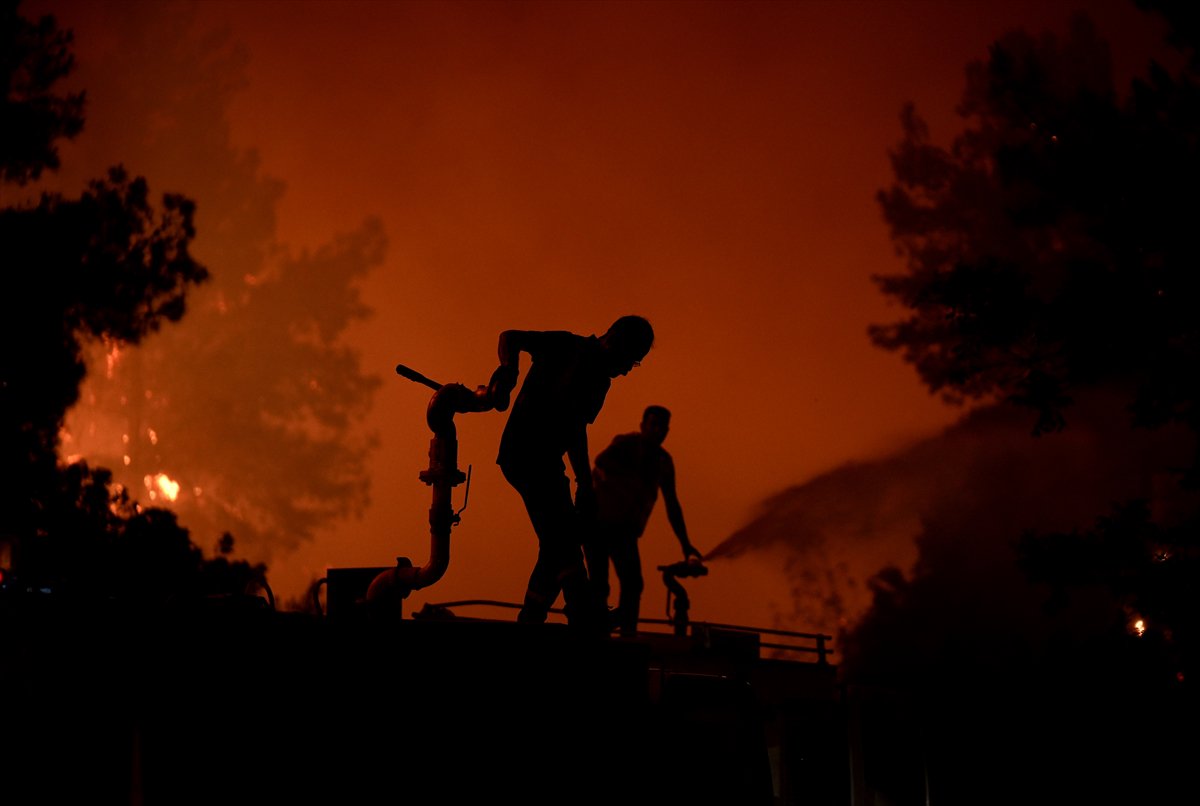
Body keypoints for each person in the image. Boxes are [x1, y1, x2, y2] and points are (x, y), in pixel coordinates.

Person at [492, 315, 655, 629]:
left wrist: (583, 481)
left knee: (556, 541)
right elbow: (510, 336)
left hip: (546, 463)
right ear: (616, 341)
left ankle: (534, 618)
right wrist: (508, 371)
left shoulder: (599, 381)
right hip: (525, 455)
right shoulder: (566, 345)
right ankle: (582, 611)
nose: (626, 370)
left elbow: (575, 430)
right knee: (563, 540)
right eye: (631, 361)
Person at [587, 405, 701, 635]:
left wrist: (686, 544)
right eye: (653, 425)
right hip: (597, 523)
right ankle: (597, 633)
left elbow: (672, 505)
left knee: (633, 584)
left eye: (663, 427)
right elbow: (600, 462)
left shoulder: (664, 462)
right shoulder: (625, 444)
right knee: (600, 584)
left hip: (625, 531)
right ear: (643, 426)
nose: (658, 431)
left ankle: (623, 634)